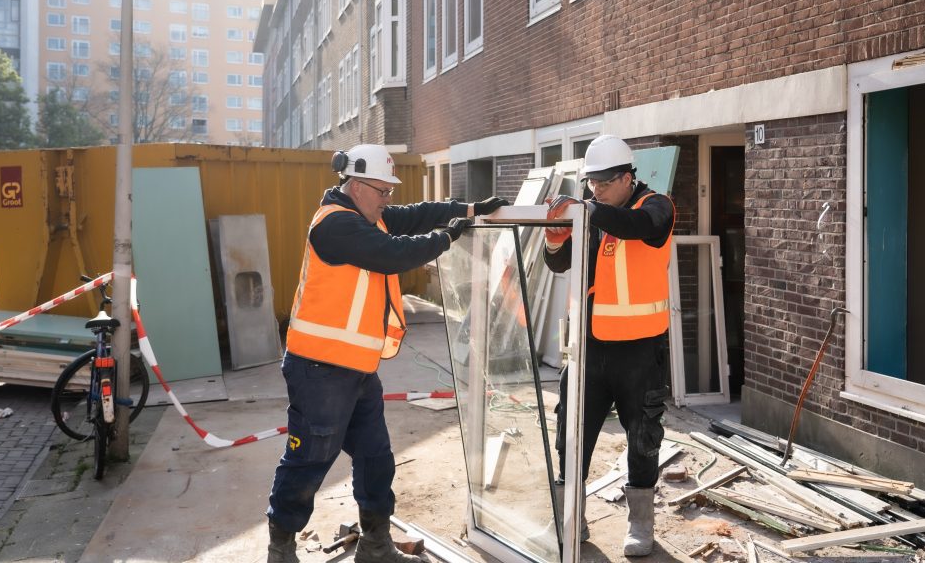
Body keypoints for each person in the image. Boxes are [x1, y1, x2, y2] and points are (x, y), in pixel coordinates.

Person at [265, 144, 508, 563]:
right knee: (309, 460)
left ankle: (376, 545)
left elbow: (414, 213)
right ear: (356, 186)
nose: (388, 199)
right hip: (319, 369)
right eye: (382, 191)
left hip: (357, 369)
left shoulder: (365, 216)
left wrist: (467, 209)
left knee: (376, 457)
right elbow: (395, 255)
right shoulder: (334, 226)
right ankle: (281, 548)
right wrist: (448, 236)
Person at [542, 135, 675, 557]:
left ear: (625, 178)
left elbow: (640, 229)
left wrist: (590, 211)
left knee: (643, 435)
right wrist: (556, 237)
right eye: (590, 184)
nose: (594, 190)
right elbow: (558, 263)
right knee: (571, 431)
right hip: (588, 349)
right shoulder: (594, 214)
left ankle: (640, 522)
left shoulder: (656, 207)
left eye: (601, 183)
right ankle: (570, 515)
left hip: (639, 352)